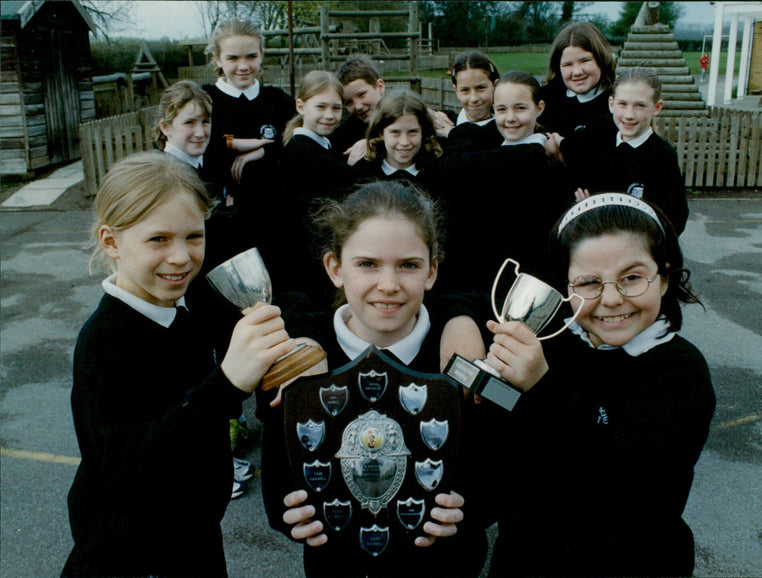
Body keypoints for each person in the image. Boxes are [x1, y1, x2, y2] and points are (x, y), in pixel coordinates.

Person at [258, 181, 533, 578]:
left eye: (408, 265)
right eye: (367, 264)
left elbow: (504, 461)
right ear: (335, 268)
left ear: (432, 270)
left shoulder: (465, 361)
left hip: (445, 566)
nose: (388, 284)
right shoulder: (301, 364)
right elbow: (279, 479)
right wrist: (290, 514)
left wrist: (468, 506)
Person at [62, 151, 297, 577]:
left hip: (193, 537)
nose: (181, 257)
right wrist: (227, 385)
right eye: (158, 239)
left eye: (193, 236)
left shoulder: (183, 308)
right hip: (132, 555)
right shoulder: (105, 341)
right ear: (111, 241)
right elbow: (131, 469)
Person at [485, 192, 716, 576]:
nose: (611, 299)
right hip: (529, 556)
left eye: (631, 277)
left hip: (633, 561)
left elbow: (629, 485)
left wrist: (541, 389)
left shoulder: (681, 370)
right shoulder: (551, 344)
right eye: (589, 283)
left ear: (664, 278)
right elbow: (507, 450)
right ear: (566, 287)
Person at [152, 80, 256, 499]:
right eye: (188, 122)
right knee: (186, 378)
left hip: (201, 288)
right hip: (178, 292)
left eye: (206, 121)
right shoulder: (165, 173)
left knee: (204, 367)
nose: (200, 130)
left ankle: (216, 451)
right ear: (165, 126)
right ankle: (212, 466)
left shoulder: (197, 165)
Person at [437, 71, 572, 294]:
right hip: (476, 275)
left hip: (521, 280)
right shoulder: (488, 149)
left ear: (539, 108)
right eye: (501, 110)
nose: (510, 118)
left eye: (520, 108)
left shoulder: (541, 162)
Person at [546, 67, 689, 235]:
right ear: (611, 104)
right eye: (623, 104)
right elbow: (575, 185)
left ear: (657, 107)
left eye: (640, 106)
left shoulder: (662, 156)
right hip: (593, 242)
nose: (629, 115)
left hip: (636, 248)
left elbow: (673, 217)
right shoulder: (597, 144)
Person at [201, 18, 295, 259]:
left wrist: (263, 151)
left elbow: (298, 145)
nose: (243, 66)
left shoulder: (279, 101)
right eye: (233, 58)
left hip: (276, 221)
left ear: (262, 55)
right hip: (221, 223)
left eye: (251, 56)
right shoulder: (204, 100)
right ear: (217, 59)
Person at [277, 70, 352, 298]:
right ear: (301, 106)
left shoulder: (324, 147)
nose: (329, 115)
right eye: (320, 107)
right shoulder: (301, 154)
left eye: (336, 108)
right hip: (309, 261)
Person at [331, 54, 454, 165]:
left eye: (362, 95)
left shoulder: (416, 116)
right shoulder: (344, 136)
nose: (358, 106)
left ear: (380, 86)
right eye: (349, 102)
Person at [539, 21, 617, 141]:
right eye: (567, 64)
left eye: (585, 60)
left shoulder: (617, 103)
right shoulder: (546, 98)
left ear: (601, 59)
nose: (577, 72)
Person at [353, 89, 443, 191]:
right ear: (381, 133)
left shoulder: (439, 175)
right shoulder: (362, 176)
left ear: (423, 132)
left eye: (413, 132)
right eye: (395, 132)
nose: (404, 142)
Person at [441, 51, 503, 152]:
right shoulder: (444, 123)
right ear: (456, 91)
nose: (474, 98)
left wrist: (454, 134)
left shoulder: (508, 129)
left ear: (495, 86)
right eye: (465, 90)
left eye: (481, 88)